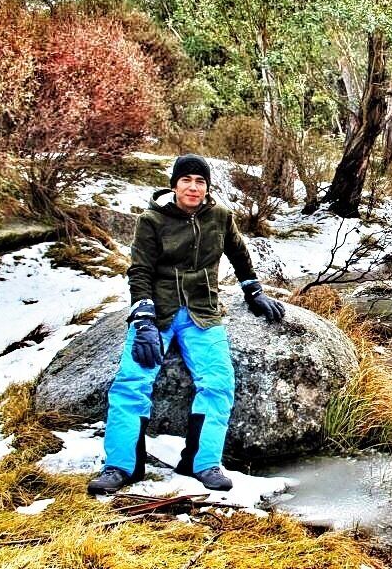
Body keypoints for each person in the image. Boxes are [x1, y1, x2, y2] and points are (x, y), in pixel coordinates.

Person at [87, 154, 285, 494]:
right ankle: (120, 466)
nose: (193, 188)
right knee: (131, 382)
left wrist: (253, 290)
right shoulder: (152, 220)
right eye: (186, 180)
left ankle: (202, 461)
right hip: (158, 313)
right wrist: (144, 317)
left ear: (207, 188)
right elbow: (140, 270)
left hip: (203, 313)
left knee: (219, 382)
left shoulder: (221, 217)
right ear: (174, 185)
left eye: (200, 182)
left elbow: (238, 254)